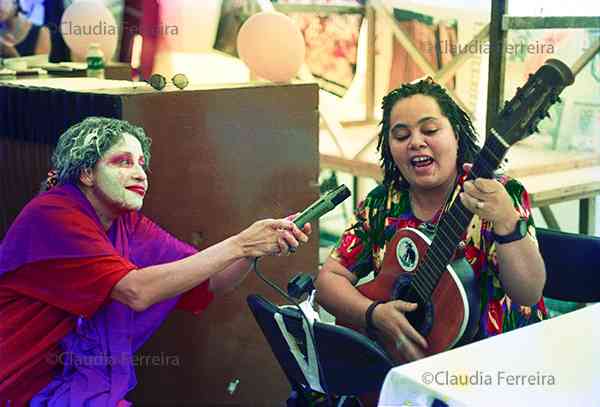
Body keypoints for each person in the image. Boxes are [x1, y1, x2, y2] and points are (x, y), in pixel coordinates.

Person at [0, 117, 311, 405]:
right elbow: (136, 292)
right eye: (123, 162)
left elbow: (211, 280)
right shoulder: (54, 214)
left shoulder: (126, 222)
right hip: (16, 384)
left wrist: (253, 249)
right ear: (86, 172)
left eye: (142, 164)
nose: (140, 173)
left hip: (64, 382)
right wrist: (241, 242)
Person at [315, 77, 547, 363]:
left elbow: (528, 292)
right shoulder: (382, 203)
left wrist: (506, 220)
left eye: (430, 130)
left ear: (456, 135)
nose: (416, 142)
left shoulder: (498, 195)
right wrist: (374, 314)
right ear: (389, 148)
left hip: (498, 364)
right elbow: (329, 279)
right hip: (405, 369)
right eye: (401, 136)